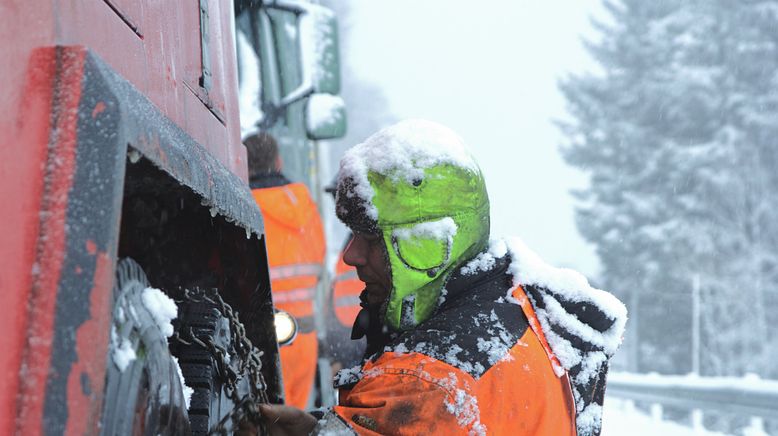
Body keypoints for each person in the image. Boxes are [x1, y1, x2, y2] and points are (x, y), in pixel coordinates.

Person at [258, 120, 628, 435]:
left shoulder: (427, 382)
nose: (350, 255)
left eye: (371, 239)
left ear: (430, 244)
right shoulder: (518, 310)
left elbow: (433, 407)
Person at [245, 132, 326, 409]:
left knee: (262, 418)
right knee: (294, 419)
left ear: (244, 164)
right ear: (279, 161)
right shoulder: (303, 201)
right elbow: (319, 257)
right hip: (304, 337)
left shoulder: (245, 204)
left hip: (260, 340)